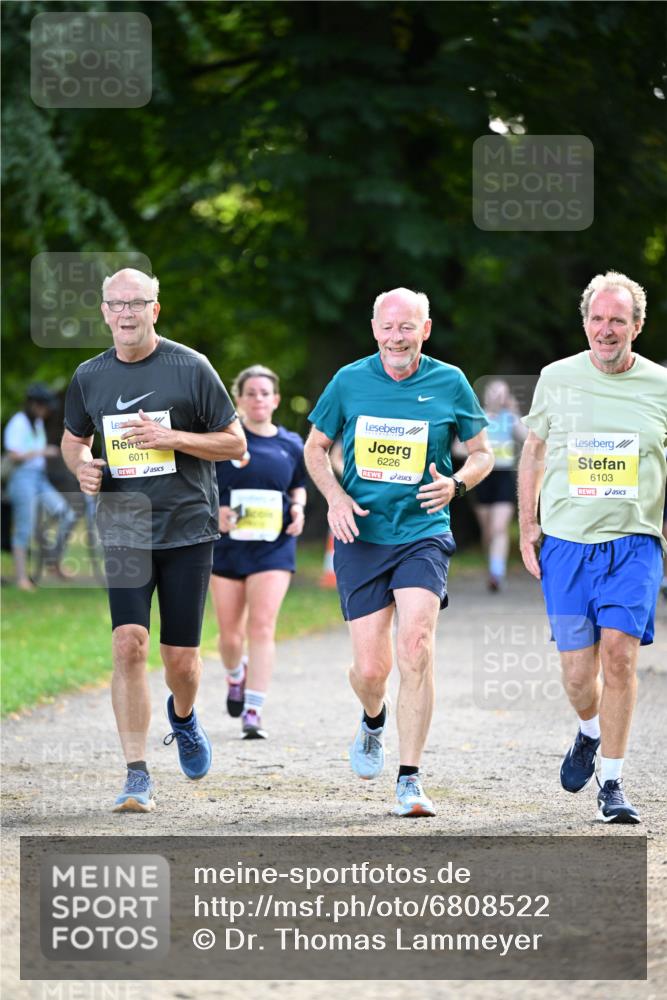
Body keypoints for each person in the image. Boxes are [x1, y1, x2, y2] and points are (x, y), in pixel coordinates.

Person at [61, 268, 246, 813]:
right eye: (115, 304)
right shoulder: (89, 375)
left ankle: (184, 718)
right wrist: (83, 470)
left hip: (187, 527)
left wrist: (174, 438)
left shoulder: (191, 368)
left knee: (181, 660)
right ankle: (136, 773)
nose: (125, 313)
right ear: (104, 312)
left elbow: (234, 441)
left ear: (155, 310)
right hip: (124, 525)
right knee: (129, 643)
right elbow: (75, 441)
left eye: (136, 303)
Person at [304, 287, 493, 817]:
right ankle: (372, 720)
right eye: (387, 327)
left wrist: (456, 485)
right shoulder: (348, 381)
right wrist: (335, 496)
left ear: (424, 330)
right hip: (362, 536)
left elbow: (481, 453)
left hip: (422, 533)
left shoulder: (450, 382)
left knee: (416, 646)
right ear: (374, 329)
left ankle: (410, 778)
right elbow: (315, 447)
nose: (396, 337)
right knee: (371, 669)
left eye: (407, 327)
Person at [518, 271, 667, 825]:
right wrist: (527, 525)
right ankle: (589, 729)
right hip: (567, 543)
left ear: (638, 326)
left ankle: (614, 782)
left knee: (621, 657)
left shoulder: (660, 385)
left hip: (634, 542)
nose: (606, 330)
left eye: (618, 321)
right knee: (579, 675)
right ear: (585, 322)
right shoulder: (557, 378)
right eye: (598, 319)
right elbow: (534, 450)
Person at [209, 365, 306, 738]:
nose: (258, 399)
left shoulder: (291, 444)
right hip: (228, 547)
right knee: (230, 636)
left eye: (265, 392)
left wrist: (297, 509)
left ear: (276, 399)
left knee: (262, 626)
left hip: (274, 547)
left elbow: (298, 487)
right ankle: (235, 675)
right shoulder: (222, 442)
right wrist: (215, 511)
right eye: (250, 392)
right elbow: (202, 488)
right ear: (239, 399)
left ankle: (254, 710)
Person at [4, 383, 76, 591]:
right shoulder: (18, 423)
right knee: (24, 527)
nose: (47, 411)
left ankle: (53, 561)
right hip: (22, 478)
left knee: (67, 514)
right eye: (44, 406)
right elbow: (13, 454)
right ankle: (21, 578)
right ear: (34, 404)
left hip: (39, 478)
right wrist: (41, 452)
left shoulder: (35, 422)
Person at [472, 378, 527, 591]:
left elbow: (527, 438)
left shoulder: (510, 419)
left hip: (504, 476)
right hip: (481, 477)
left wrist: (514, 412)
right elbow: (458, 448)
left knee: (499, 527)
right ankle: (492, 565)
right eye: (494, 392)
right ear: (486, 396)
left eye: (502, 393)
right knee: (487, 531)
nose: (497, 396)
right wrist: (479, 453)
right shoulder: (478, 419)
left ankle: (497, 573)